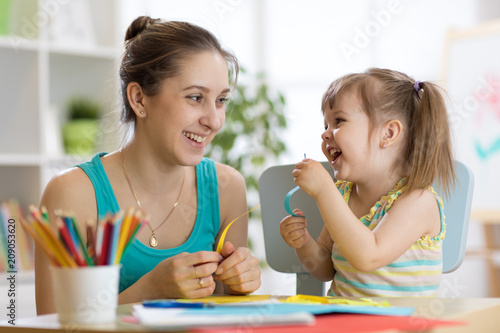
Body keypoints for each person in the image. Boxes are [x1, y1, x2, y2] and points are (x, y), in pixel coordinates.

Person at [35, 16, 261, 315]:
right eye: (195, 97)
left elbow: (227, 315)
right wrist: (150, 290)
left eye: (220, 100)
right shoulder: (72, 194)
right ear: (139, 99)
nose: (215, 120)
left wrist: (240, 283)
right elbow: (50, 324)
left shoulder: (227, 188)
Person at [280, 68, 455, 297]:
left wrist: (324, 191)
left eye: (339, 121)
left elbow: (368, 255)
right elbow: (325, 270)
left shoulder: (418, 200)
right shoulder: (343, 194)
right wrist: (303, 243)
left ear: (388, 134)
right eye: (325, 125)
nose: (325, 134)